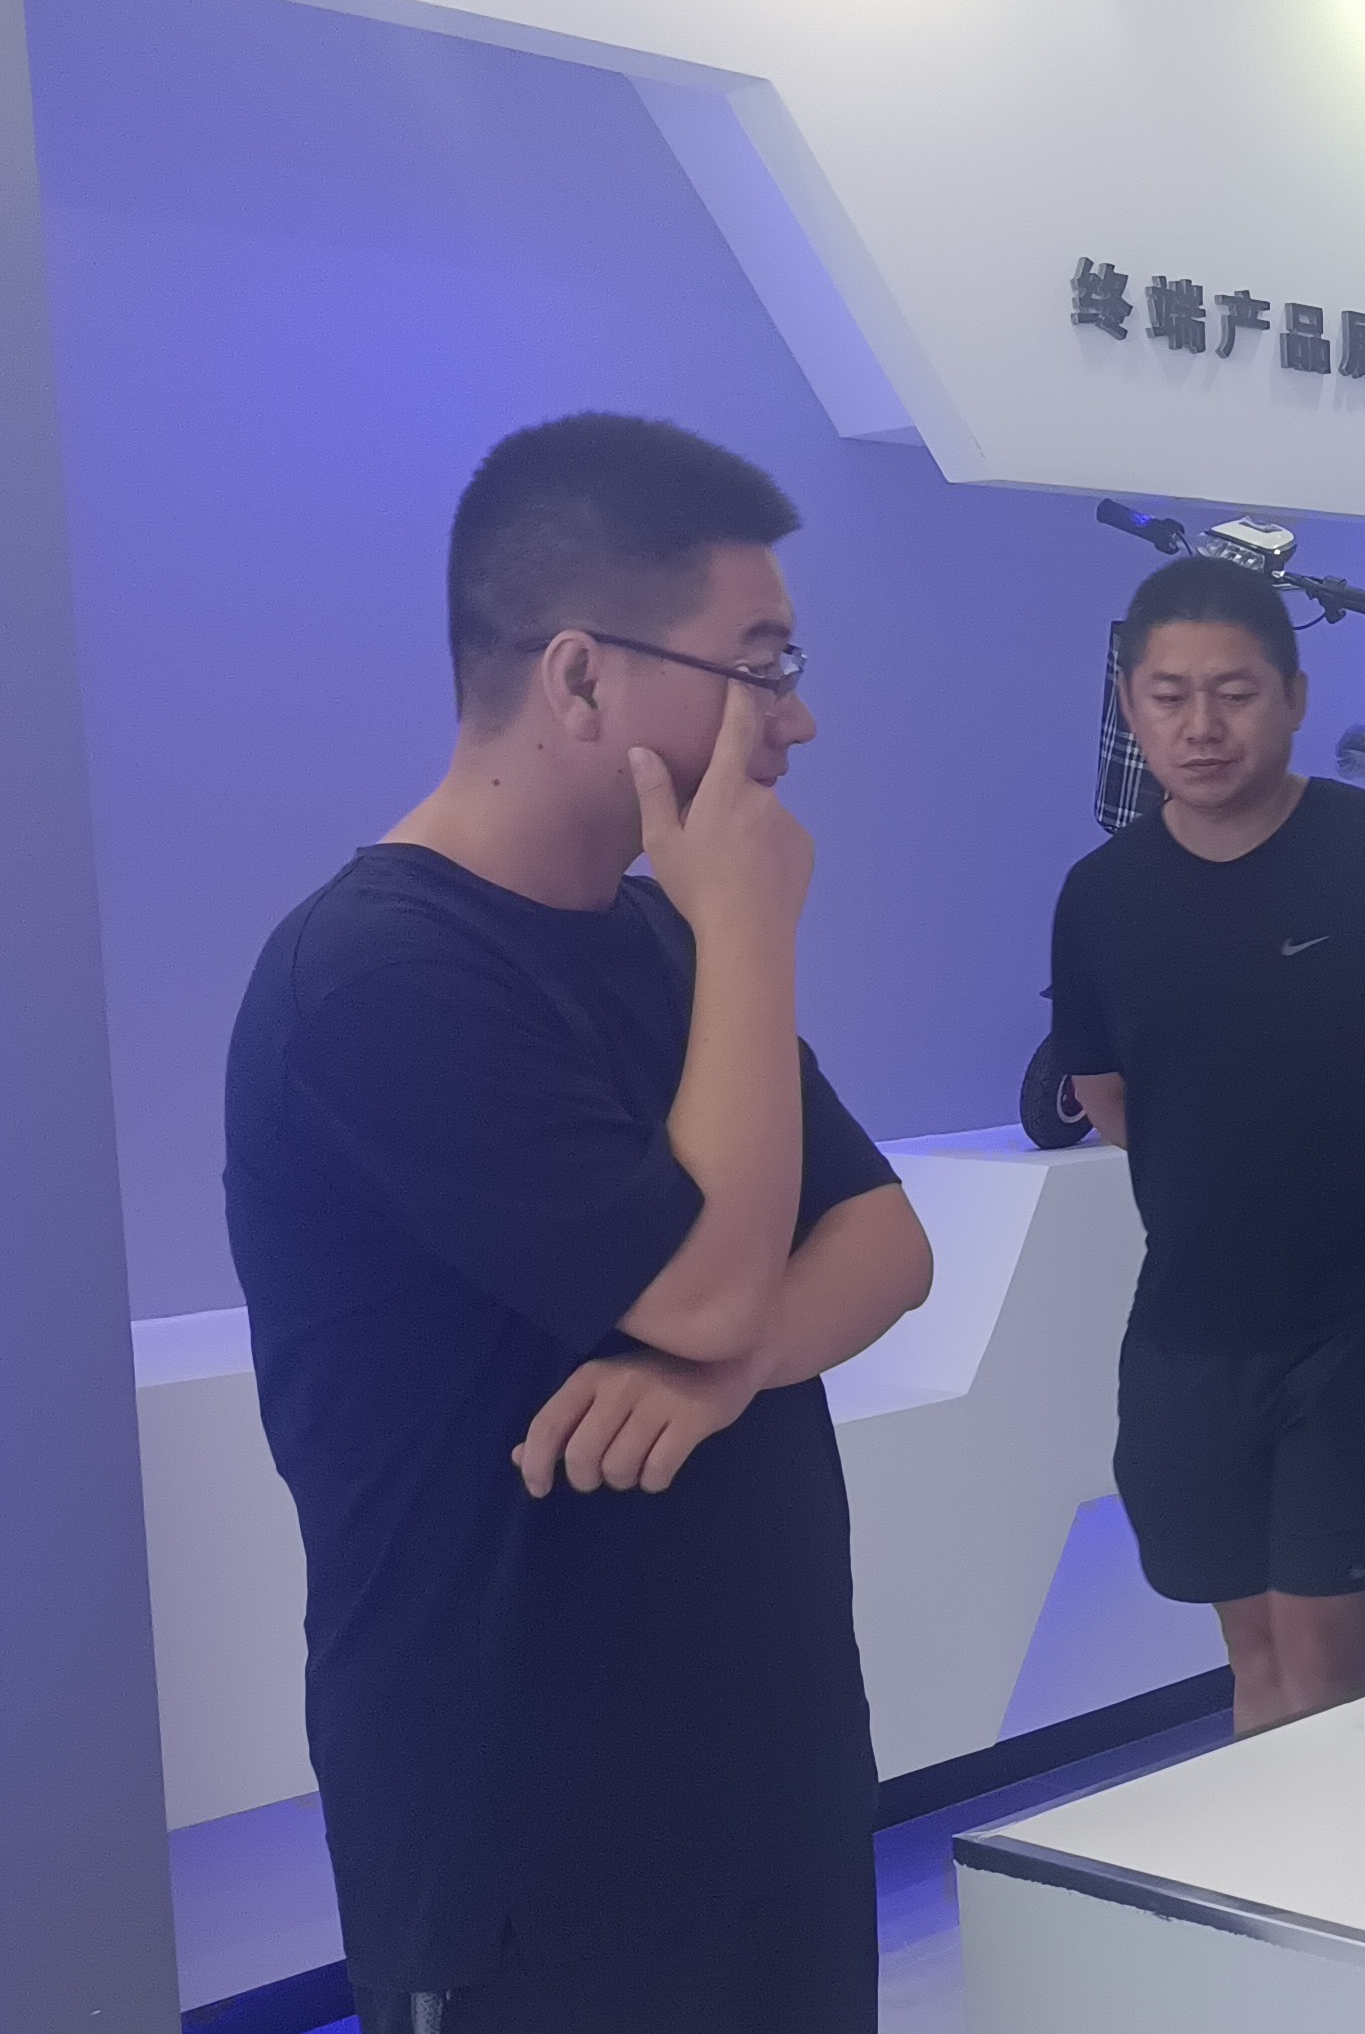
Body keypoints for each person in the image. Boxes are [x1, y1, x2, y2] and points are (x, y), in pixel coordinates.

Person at [224, 414, 934, 2034]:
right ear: (580, 677)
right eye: (757, 665)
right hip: (534, 1860)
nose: (796, 717)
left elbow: (885, 1244)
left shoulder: (664, 938)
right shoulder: (379, 978)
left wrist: (720, 1368)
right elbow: (708, 1283)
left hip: (768, 1796)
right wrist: (753, 929)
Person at [1049, 556, 1365, 1734]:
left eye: (1235, 692)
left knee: (1332, 1679)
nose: (1201, 727)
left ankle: (1348, 1855)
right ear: (1130, 704)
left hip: (1361, 1328)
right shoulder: (1100, 894)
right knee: (1254, 1665)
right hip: (1188, 1331)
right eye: (1169, 696)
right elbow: (1107, 1092)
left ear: (1295, 697)